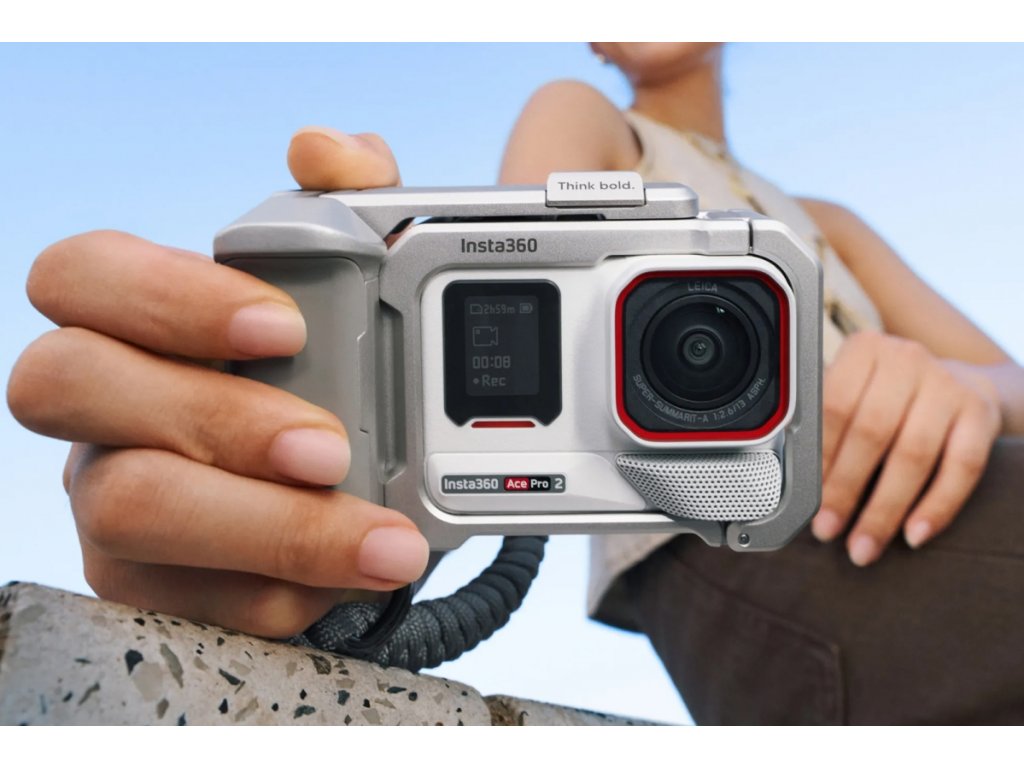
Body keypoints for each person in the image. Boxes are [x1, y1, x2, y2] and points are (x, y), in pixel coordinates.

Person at [7, 43, 1024, 723]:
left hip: (922, 506)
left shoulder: (825, 221)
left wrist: (956, 385)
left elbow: (1008, 380)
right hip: (732, 528)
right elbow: (502, 281)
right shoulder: (583, 112)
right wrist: (337, 413)